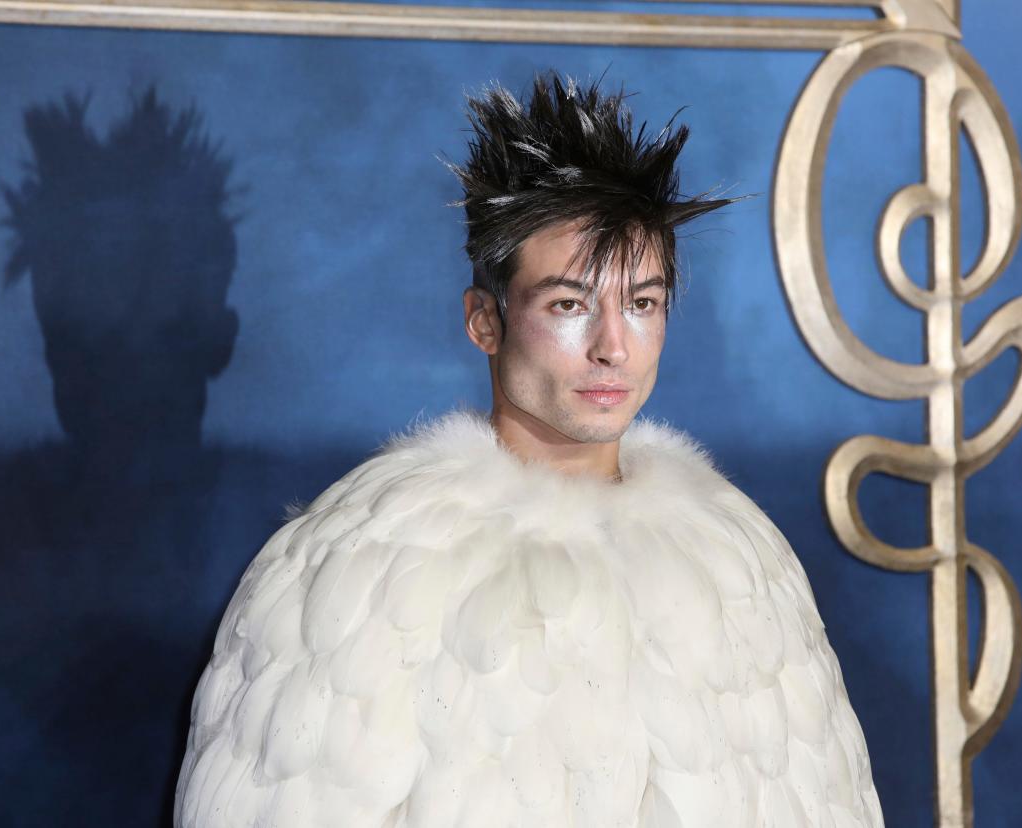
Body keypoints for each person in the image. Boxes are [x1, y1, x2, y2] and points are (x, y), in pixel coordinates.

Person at [175, 69, 884, 827]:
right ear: (484, 320)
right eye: (570, 304)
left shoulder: (747, 570)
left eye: (641, 303)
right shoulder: (354, 568)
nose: (613, 347)